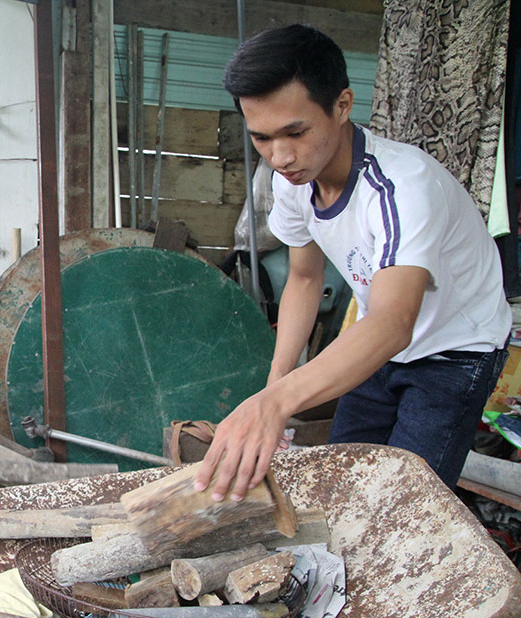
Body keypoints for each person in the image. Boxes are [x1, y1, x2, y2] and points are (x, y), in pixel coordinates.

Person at [194, 24, 511, 503]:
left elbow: (392, 321)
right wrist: (277, 383)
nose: (280, 156)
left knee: (408, 500)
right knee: (340, 484)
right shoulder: (293, 181)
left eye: (295, 132)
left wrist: (273, 405)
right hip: (377, 344)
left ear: (342, 106)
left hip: (456, 350)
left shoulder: (403, 187)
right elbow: (303, 278)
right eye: (261, 138)